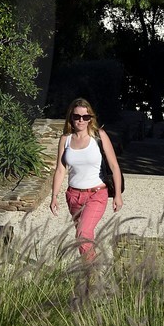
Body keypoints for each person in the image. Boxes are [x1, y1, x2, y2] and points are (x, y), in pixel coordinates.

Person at [50, 98, 122, 261]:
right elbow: (60, 169)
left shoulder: (99, 136)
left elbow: (114, 166)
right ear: (71, 117)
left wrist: (117, 195)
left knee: (83, 233)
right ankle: (90, 269)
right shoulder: (66, 139)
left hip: (96, 194)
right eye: (77, 116)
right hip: (73, 196)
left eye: (85, 117)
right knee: (83, 236)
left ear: (91, 118)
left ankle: (92, 271)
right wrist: (54, 196)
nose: (81, 120)